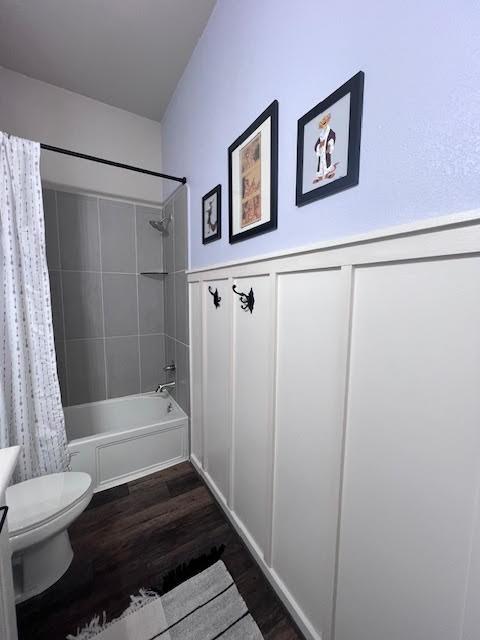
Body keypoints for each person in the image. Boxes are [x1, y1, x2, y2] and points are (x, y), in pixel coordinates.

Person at [313, 113, 336, 182]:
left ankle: (328, 174)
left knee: (327, 161)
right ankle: (320, 176)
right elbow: (316, 145)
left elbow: (332, 138)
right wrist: (320, 145)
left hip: (326, 150)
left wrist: (329, 145)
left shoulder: (330, 132)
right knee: (321, 164)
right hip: (321, 151)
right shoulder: (321, 135)